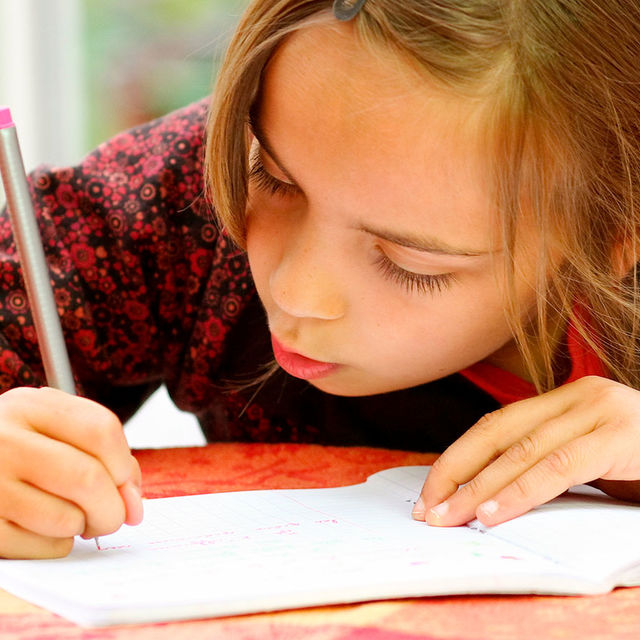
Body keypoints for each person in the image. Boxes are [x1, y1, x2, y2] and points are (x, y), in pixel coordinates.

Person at [1, 0, 639, 559]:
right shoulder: (184, 190)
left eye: (409, 263)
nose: (293, 291)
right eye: (273, 179)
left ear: (613, 235)